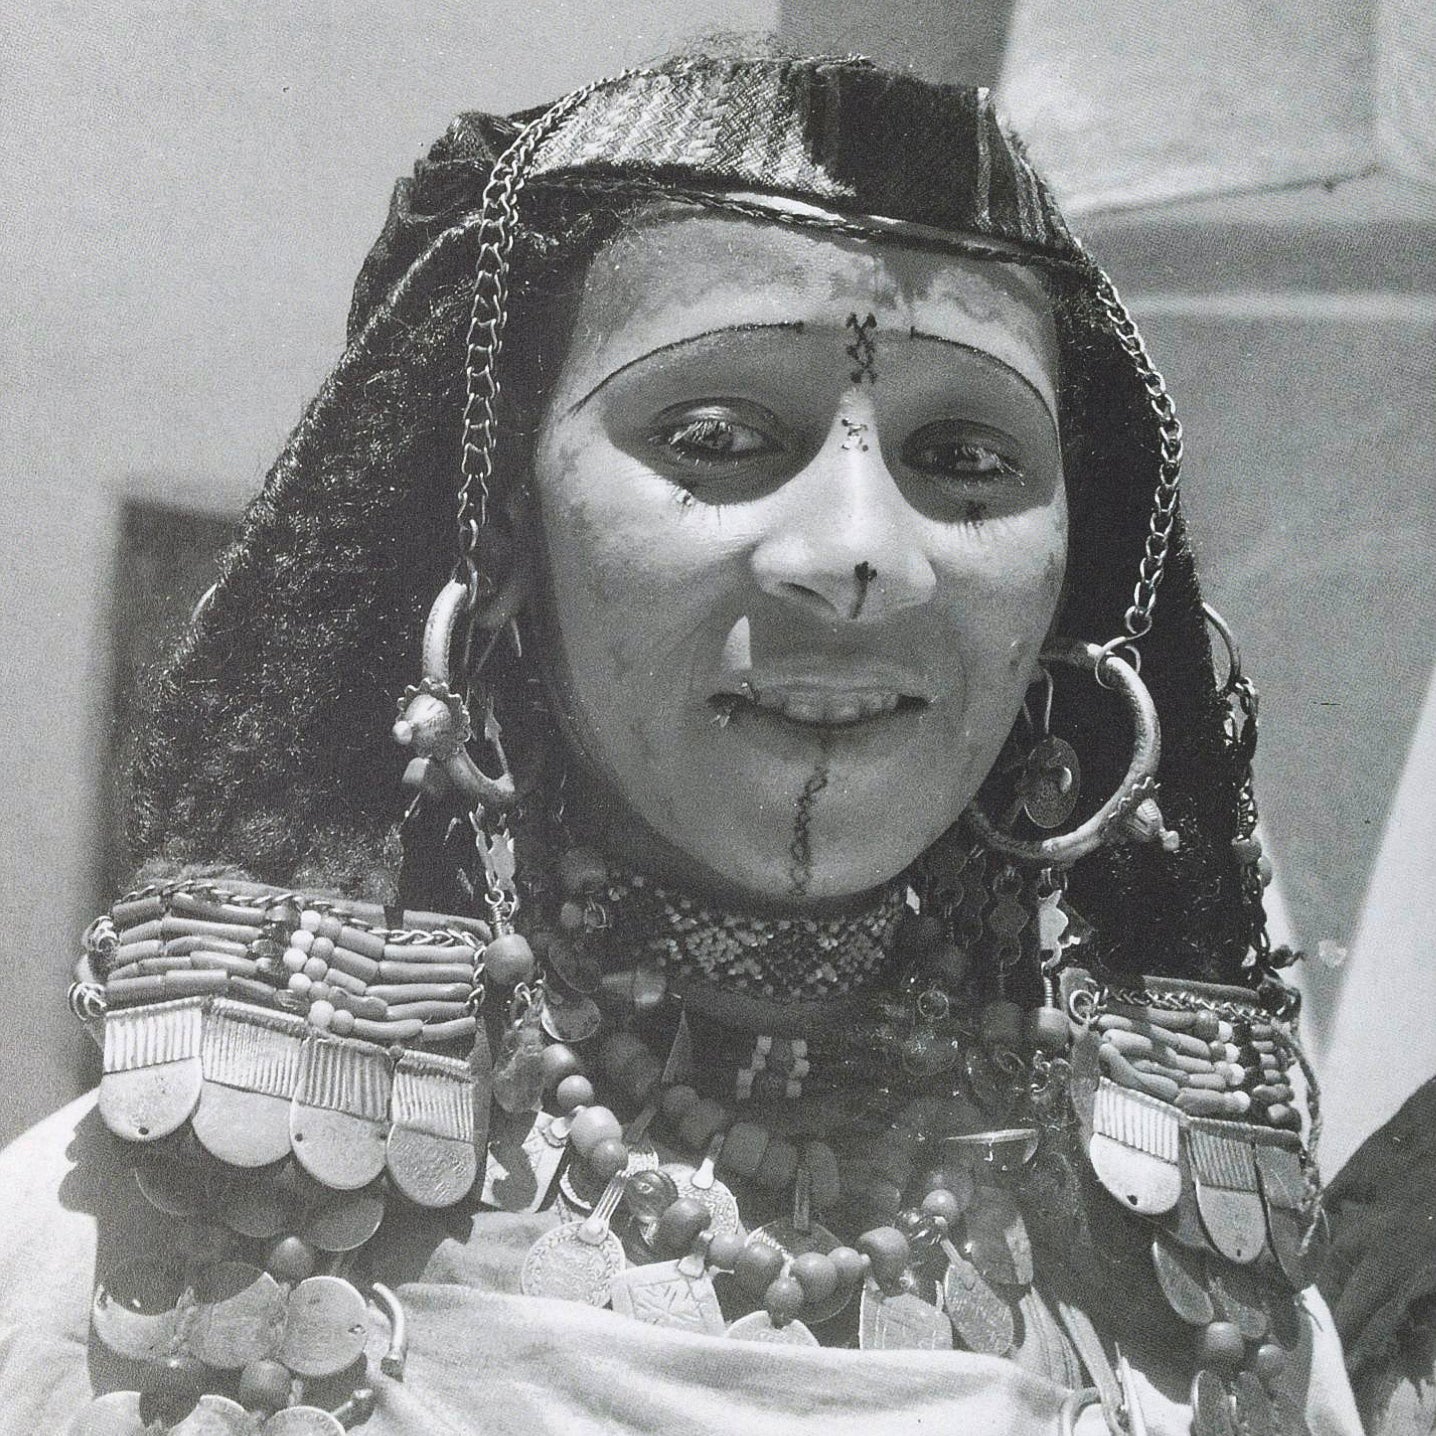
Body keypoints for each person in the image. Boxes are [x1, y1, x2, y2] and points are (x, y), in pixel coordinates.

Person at [0, 50, 1377, 1435]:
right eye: (716, 434)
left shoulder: (1207, 1323)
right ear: (503, 534)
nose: (857, 556)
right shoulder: (119, 1262)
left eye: (966, 459)